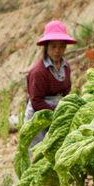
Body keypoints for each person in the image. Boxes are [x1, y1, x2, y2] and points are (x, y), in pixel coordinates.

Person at [25, 20, 76, 148]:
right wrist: (56, 114)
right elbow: (36, 100)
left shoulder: (65, 67)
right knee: (38, 151)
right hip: (39, 115)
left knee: (56, 149)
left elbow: (66, 91)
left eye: (61, 47)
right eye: (53, 46)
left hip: (56, 112)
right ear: (46, 47)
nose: (57, 51)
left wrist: (65, 110)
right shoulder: (38, 71)